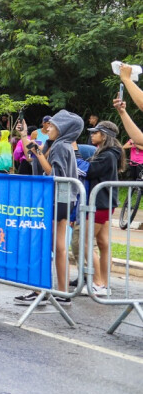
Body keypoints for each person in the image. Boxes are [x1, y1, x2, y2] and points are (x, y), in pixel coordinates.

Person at [15, 110, 82, 306]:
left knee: (46, 245)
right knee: (58, 246)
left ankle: (40, 290)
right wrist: (24, 135)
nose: (48, 128)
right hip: (62, 200)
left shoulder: (60, 146)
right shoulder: (58, 144)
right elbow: (32, 158)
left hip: (56, 199)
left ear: (63, 129)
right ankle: (61, 292)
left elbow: (54, 173)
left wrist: (37, 153)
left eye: (52, 126)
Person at [84, 117, 123, 297]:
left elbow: (90, 171)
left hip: (99, 203)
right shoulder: (111, 153)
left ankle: (98, 282)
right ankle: (104, 283)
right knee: (103, 244)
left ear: (105, 136)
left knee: (84, 243)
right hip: (105, 203)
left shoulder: (106, 155)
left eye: (96, 133)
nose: (92, 136)